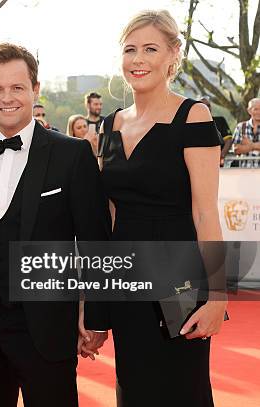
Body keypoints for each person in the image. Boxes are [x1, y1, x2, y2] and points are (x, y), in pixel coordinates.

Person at [0, 43, 111, 407]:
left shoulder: (72, 154)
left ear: (35, 89)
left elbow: (94, 238)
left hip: (48, 326)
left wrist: (97, 314)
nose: (7, 98)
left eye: (17, 87)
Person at [94, 10, 226, 406]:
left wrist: (217, 296)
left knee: (181, 389)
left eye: (150, 49)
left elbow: (205, 213)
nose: (138, 59)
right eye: (130, 49)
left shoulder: (194, 116)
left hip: (178, 281)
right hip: (126, 280)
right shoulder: (112, 124)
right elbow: (111, 215)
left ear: (172, 55)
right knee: (133, 388)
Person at [199, 95, 232, 166]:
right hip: (198, 161)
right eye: (202, 105)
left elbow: (228, 140)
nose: (206, 107)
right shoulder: (190, 123)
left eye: (208, 105)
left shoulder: (220, 120)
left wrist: (221, 155)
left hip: (217, 162)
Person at [232, 98, 260, 168]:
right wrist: (256, 146)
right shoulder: (241, 127)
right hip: (245, 172)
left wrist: (250, 145)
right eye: (256, 109)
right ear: (249, 111)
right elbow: (236, 149)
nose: (259, 112)